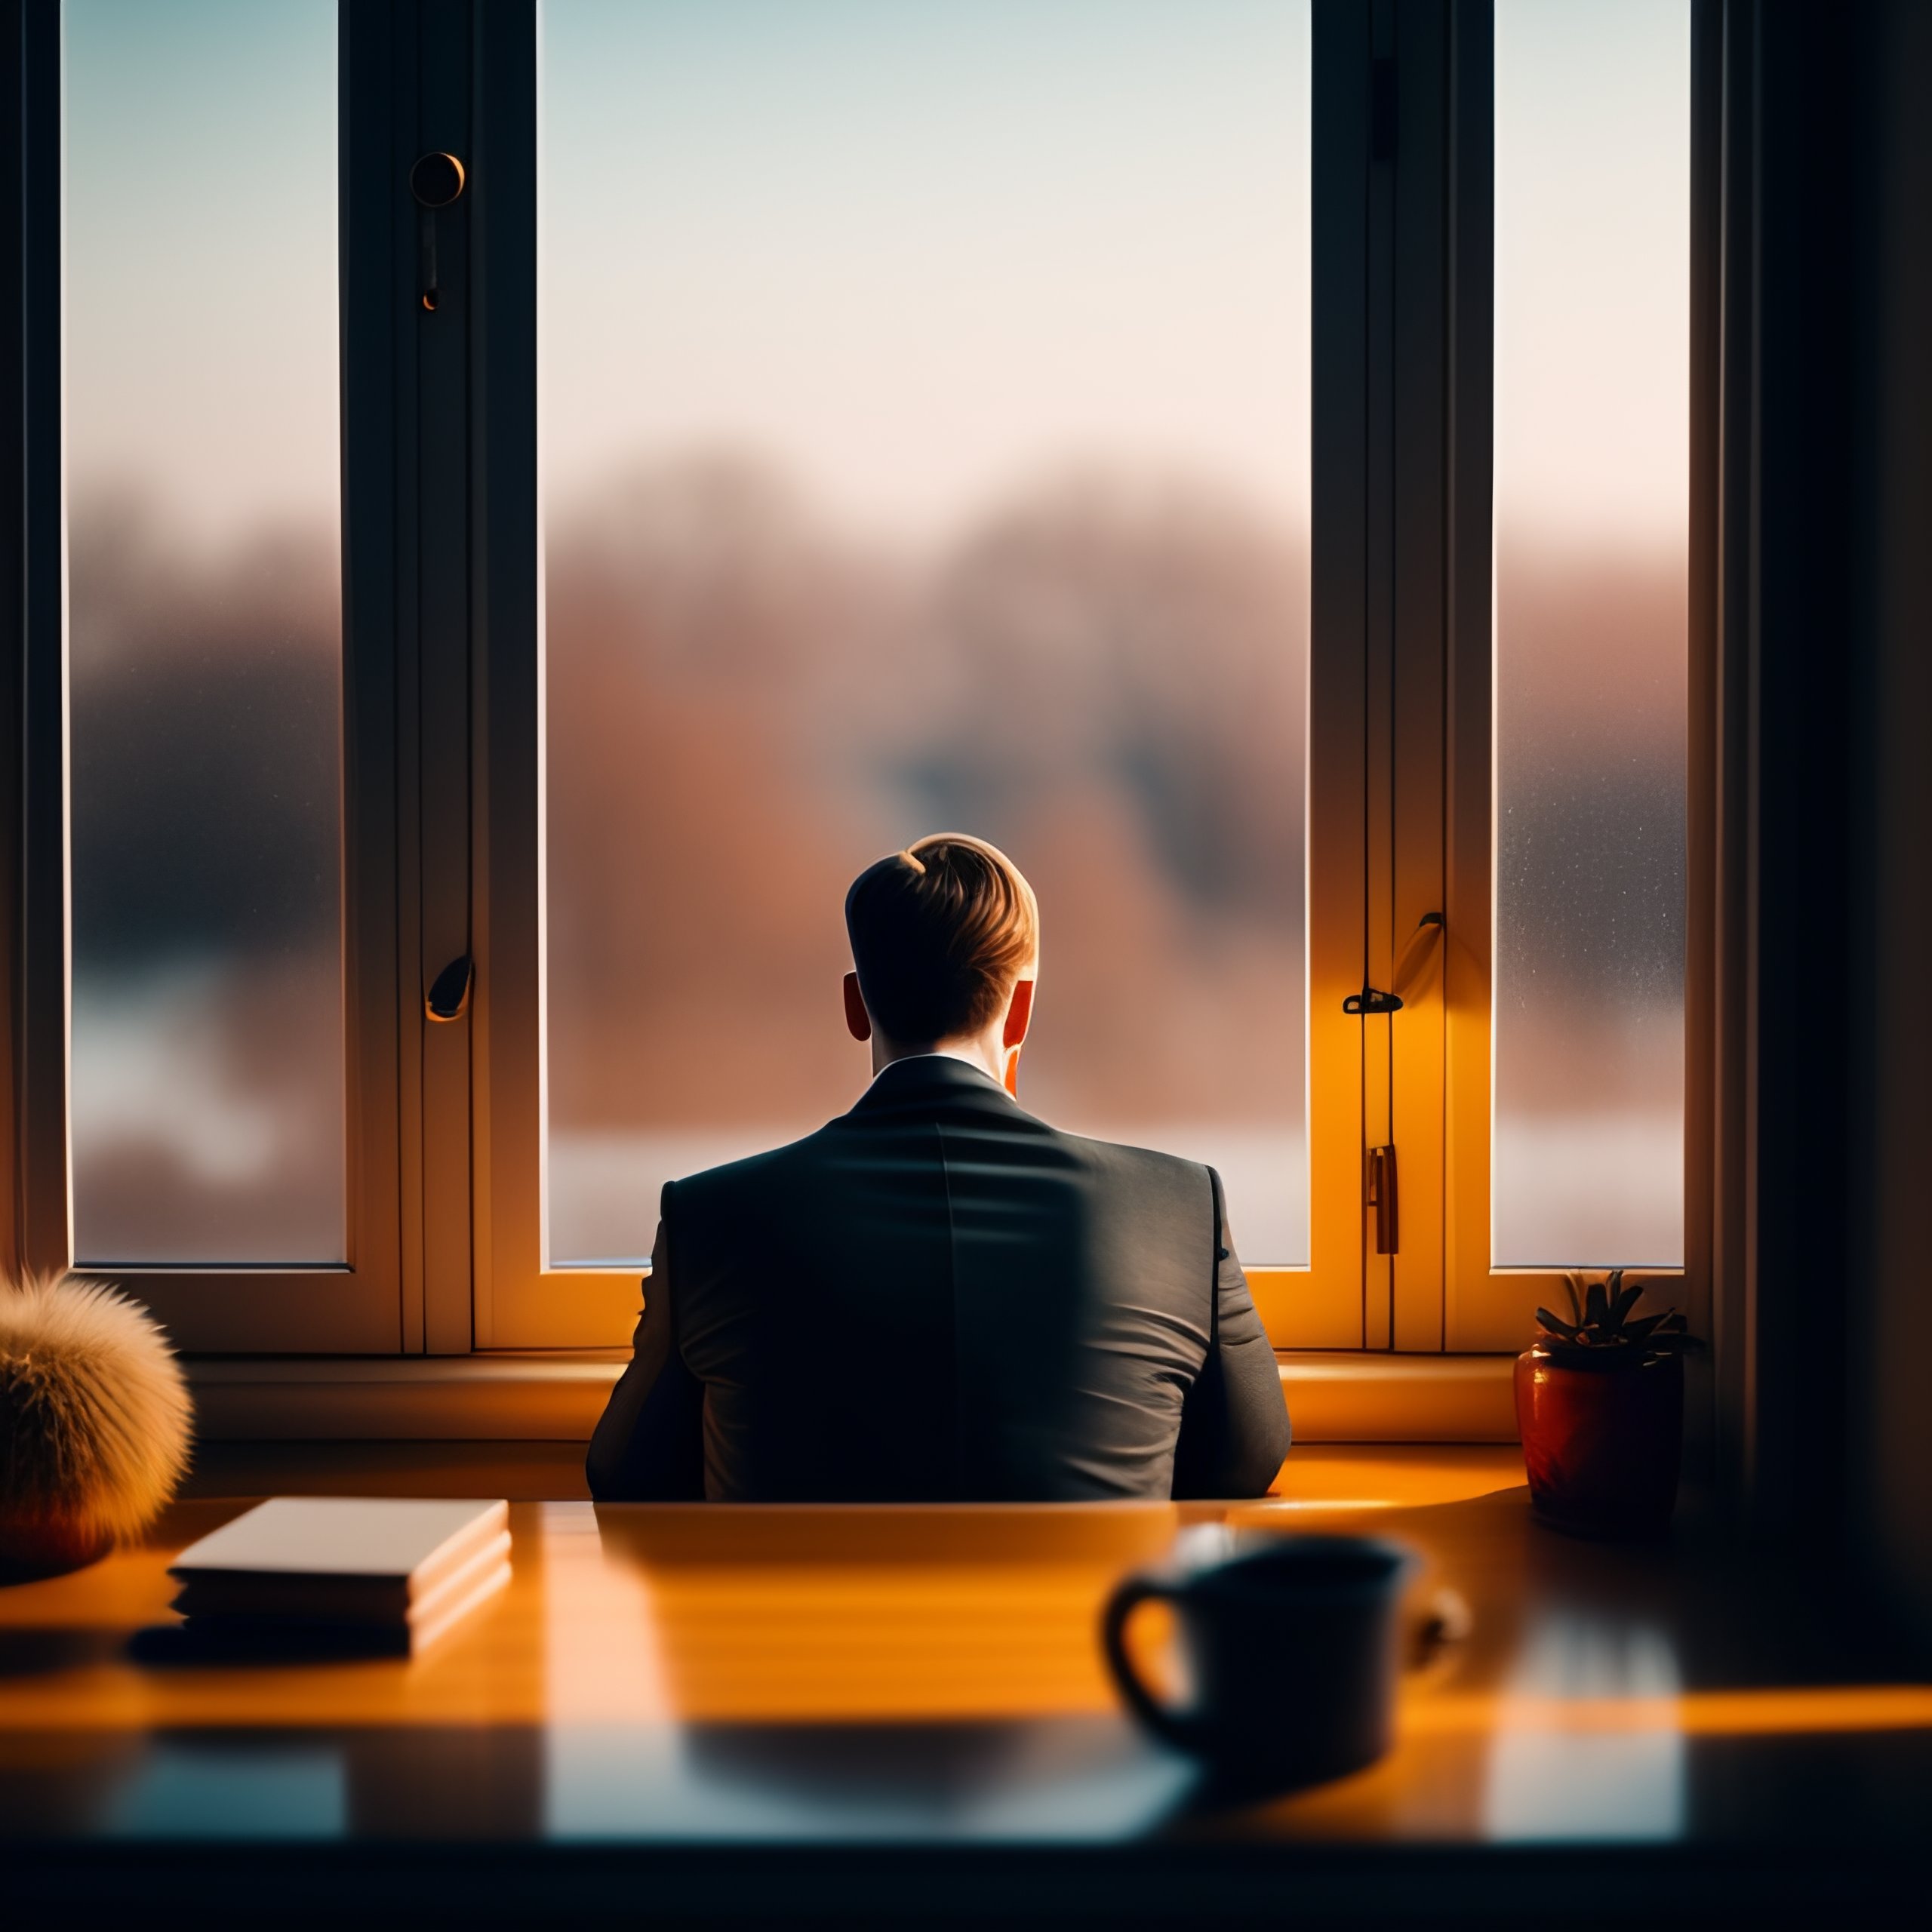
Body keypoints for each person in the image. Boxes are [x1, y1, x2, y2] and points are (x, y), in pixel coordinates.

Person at [586, 833, 1291, 1503]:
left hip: (806, 1632)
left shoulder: (711, 1217)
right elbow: (1247, 1457)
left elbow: (627, 1471)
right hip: (1088, 1631)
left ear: (856, 1006)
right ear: (1020, 1013)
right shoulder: (1177, 1209)